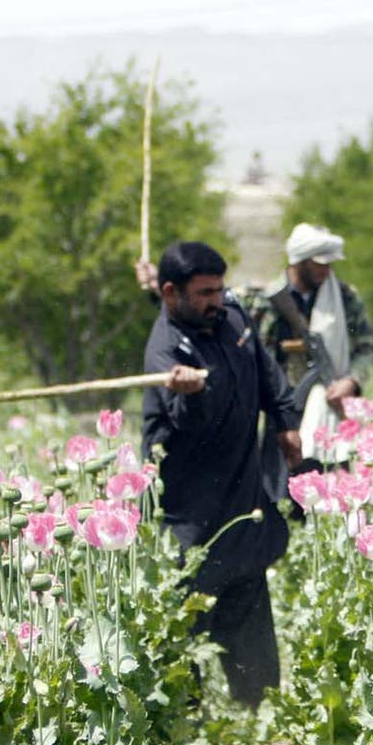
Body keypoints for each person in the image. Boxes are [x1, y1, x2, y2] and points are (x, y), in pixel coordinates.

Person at [141, 240, 302, 707]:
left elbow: (268, 377)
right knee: (184, 630)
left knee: (250, 615)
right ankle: (188, 738)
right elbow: (191, 426)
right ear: (170, 294)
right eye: (205, 292)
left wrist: (286, 426)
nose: (216, 299)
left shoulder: (231, 319)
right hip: (189, 516)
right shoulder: (166, 350)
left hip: (242, 498)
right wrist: (187, 392)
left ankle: (259, 716)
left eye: (219, 288)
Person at [252, 223, 373, 495]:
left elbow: (365, 348)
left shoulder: (344, 298)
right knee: (279, 490)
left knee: (331, 486)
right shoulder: (269, 299)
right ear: (299, 260)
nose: (326, 270)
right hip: (282, 405)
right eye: (319, 263)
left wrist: (352, 381)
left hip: (330, 401)